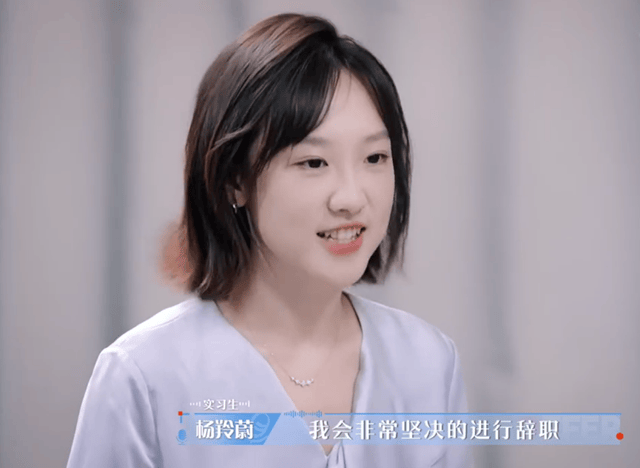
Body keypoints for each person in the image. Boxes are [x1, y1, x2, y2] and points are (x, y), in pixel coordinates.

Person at [67, 13, 472, 468]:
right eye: (314, 163)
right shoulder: (143, 377)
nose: (352, 198)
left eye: (375, 157)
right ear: (234, 180)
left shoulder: (428, 362)